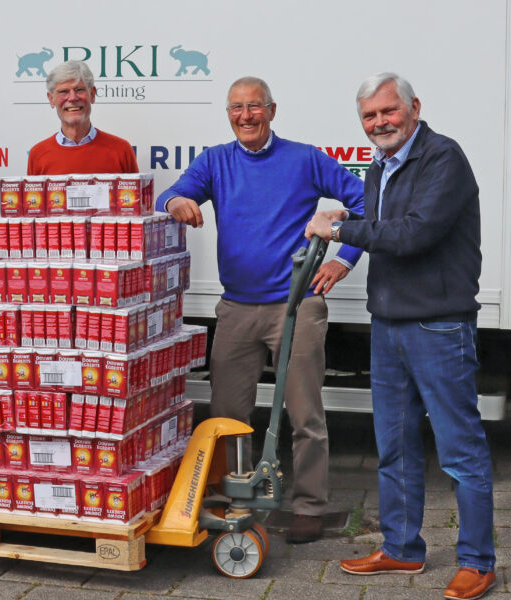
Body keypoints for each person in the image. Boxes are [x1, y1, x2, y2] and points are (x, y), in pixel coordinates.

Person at [305, 73, 495, 600]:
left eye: (388, 112)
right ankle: (403, 550)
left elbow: (415, 234)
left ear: (413, 107)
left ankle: (478, 561)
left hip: (438, 324)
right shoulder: (380, 165)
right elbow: (380, 223)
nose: (379, 123)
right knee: (394, 446)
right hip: (387, 323)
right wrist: (349, 224)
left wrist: (339, 230)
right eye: (369, 116)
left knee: (460, 451)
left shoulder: (442, 158)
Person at [157, 76, 365, 544]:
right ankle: (240, 499)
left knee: (305, 413)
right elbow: (167, 195)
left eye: (254, 107)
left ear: (272, 111)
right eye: (236, 108)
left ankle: (310, 506)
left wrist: (343, 259)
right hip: (236, 309)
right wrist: (179, 200)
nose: (245, 116)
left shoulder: (305, 158)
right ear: (228, 114)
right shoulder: (215, 161)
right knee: (228, 414)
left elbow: (364, 201)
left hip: (297, 306)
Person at [26, 60, 138, 175]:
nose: (73, 98)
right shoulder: (38, 154)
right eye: (64, 92)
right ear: (51, 99)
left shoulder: (121, 150)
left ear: (92, 94)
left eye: (79, 90)